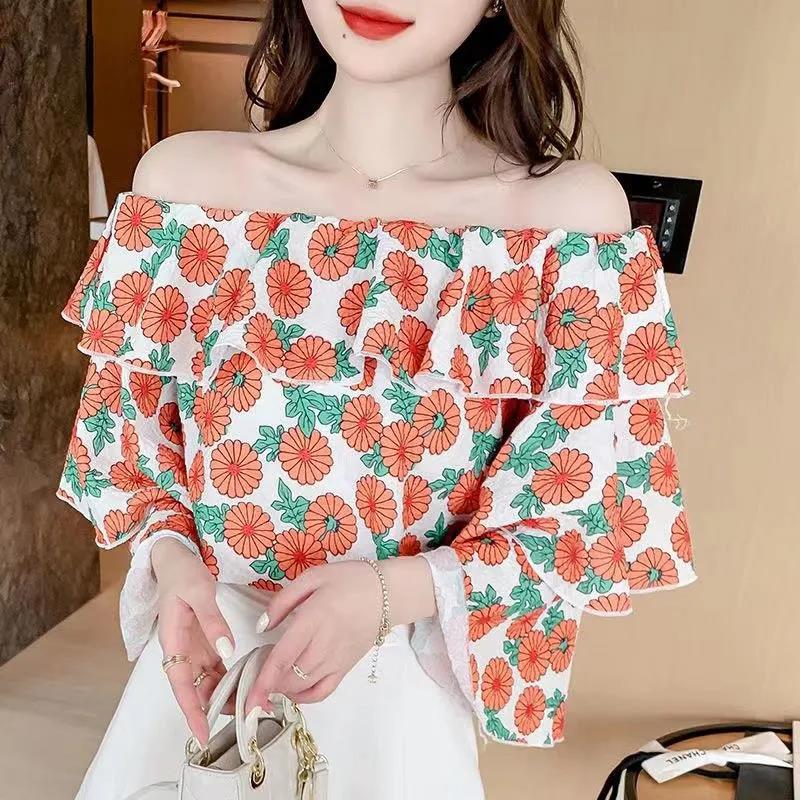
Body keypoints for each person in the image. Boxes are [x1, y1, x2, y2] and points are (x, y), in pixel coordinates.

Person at [57, 1, 695, 798]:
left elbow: (578, 518)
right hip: (208, 689)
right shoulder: (183, 188)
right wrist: (174, 562)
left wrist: (388, 594)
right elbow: (131, 447)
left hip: (393, 710)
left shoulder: (565, 222)